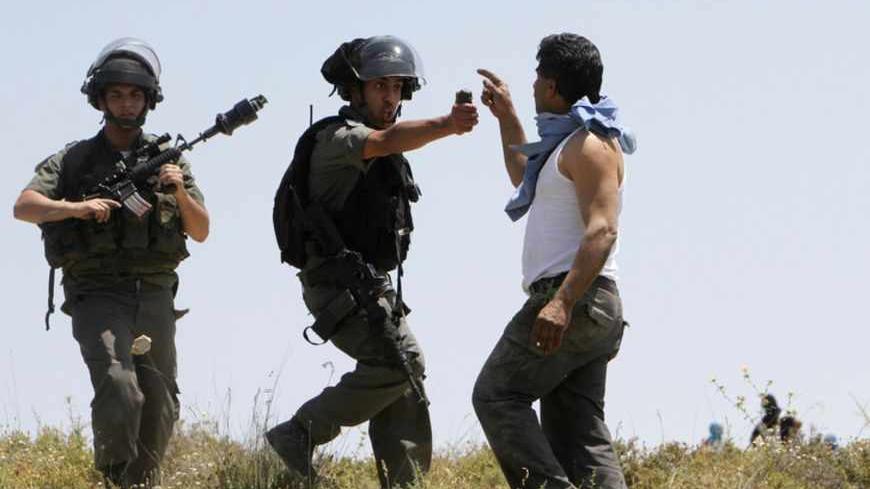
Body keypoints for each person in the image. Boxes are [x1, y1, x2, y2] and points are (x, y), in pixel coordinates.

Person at [269, 35, 477, 488]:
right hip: (335, 285)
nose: (390, 96)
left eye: (398, 87)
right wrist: (447, 123)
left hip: (367, 283)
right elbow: (383, 140)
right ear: (355, 91)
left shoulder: (383, 145)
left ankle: (404, 481)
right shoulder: (338, 138)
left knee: (406, 372)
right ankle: (298, 434)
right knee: (397, 364)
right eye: (380, 86)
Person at [12, 38, 209, 488]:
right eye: (116, 94)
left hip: (156, 292)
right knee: (120, 387)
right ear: (100, 99)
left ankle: (142, 481)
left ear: (148, 100)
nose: (126, 103)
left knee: (160, 401)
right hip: (97, 292)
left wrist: (177, 190)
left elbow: (200, 230)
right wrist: (77, 209)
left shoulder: (169, 160)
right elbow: (24, 206)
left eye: (135, 95)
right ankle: (117, 479)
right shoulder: (74, 160)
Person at [471, 33, 636, 489]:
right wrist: (506, 117)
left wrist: (561, 304)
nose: (533, 83)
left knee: (497, 394)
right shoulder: (567, 145)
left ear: (552, 86)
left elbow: (603, 229)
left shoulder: (590, 145)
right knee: (577, 435)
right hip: (586, 302)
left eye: (539, 74)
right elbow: (526, 176)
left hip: (576, 297)